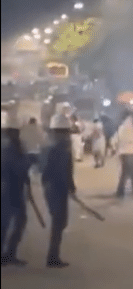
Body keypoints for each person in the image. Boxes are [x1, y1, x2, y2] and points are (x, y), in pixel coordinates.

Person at [40, 112, 77, 268]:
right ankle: (52, 257)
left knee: (59, 223)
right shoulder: (61, 149)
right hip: (57, 190)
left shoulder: (49, 148)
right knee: (59, 223)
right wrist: (69, 187)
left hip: (53, 189)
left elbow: (45, 172)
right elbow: (64, 172)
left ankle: (53, 255)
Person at [1, 113, 31, 266]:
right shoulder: (9, 147)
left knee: (17, 222)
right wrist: (27, 163)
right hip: (8, 189)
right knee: (6, 224)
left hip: (13, 189)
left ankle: (9, 254)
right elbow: (17, 167)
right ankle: (7, 255)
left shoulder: (16, 145)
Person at [114, 110, 133, 198]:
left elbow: (115, 140)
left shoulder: (122, 127)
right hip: (129, 152)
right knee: (130, 173)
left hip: (124, 153)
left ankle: (121, 191)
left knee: (126, 173)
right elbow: (132, 140)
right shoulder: (129, 129)